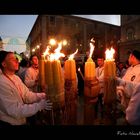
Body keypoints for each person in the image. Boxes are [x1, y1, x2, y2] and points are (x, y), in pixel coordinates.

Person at [0, 51, 52, 126]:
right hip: (9, 122)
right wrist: (39, 106)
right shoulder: (1, 82)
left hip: (21, 119)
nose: (17, 60)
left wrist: (42, 96)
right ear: (4, 64)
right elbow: (14, 110)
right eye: (12, 59)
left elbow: (26, 95)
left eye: (16, 58)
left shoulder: (15, 77)